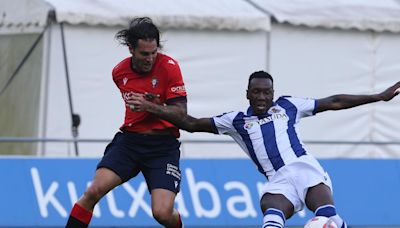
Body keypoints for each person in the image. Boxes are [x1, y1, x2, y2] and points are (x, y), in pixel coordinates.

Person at [128, 70, 400, 228]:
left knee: (326, 217)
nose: (261, 97)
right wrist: (153, 108)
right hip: (278, 182)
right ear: (247, 93)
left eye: (266, 92)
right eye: (256, 92)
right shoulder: (235, 121)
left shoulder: (289, 105)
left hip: (306, 170)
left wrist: (379, 96)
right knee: (270, 215)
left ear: (272, 93)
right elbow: (190, 123)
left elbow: (334, 102)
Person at [66, 17, 187, 228]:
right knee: (92, 192)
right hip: (130, 143)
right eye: (144, 54)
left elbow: (181, 114)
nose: (150, 58)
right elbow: (135, 105)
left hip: (162, 147)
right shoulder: (119, 72)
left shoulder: (169, 67)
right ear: (131, 49)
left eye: (154, 52)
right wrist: (143, 106)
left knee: (162, 213)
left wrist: (150, 106)